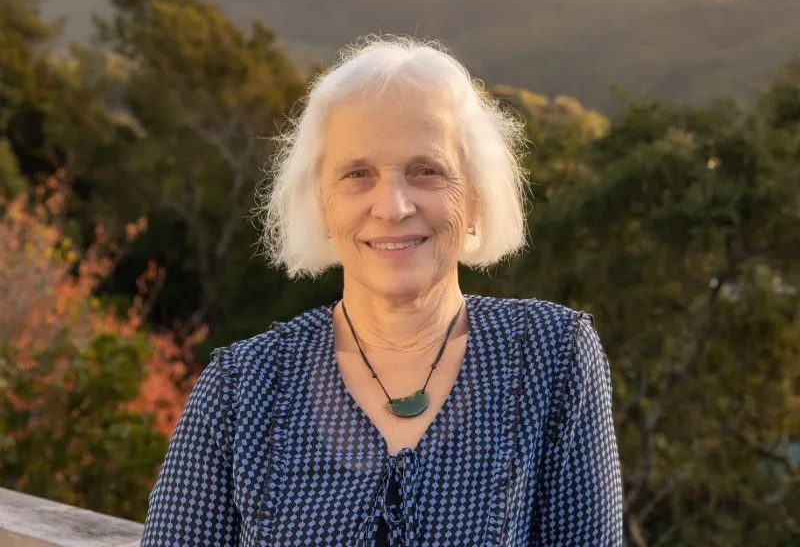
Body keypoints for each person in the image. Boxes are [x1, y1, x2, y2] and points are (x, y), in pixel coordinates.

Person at [140, 36, 624, 546]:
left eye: (426, 171)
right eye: (358, 174)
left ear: (477, 196)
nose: (392, 207)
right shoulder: (241, 387)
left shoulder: (551, 355)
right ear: (319, 203)